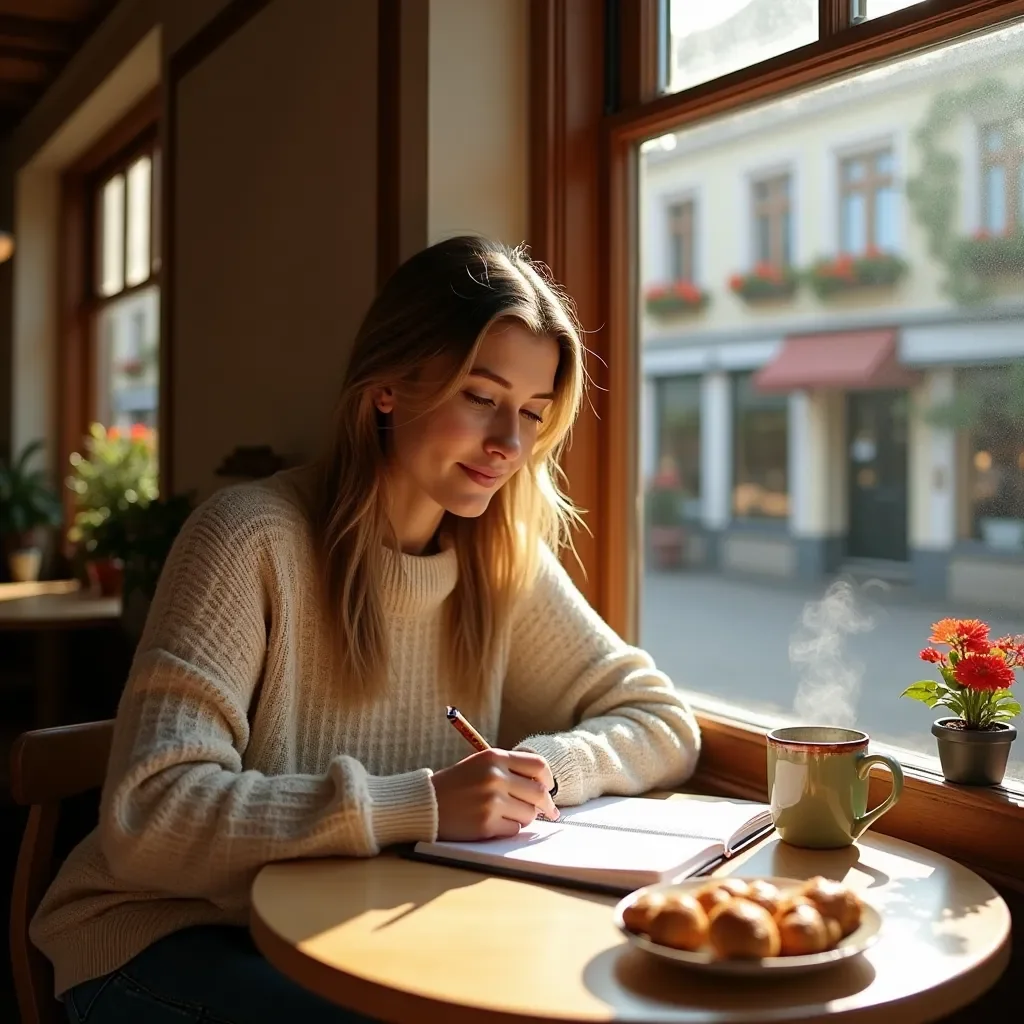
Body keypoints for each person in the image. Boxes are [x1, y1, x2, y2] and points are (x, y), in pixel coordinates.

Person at [32, 236, 701, 1023]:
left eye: (531, 413)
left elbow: (665, 723)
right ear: (388, 388)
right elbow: (153, 817)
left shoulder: (498, 561)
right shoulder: (249, 539)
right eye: (480, 397)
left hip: (347, 933)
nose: (509, 445)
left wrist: (540, 773)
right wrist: (421, 803)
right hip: (166, 935)